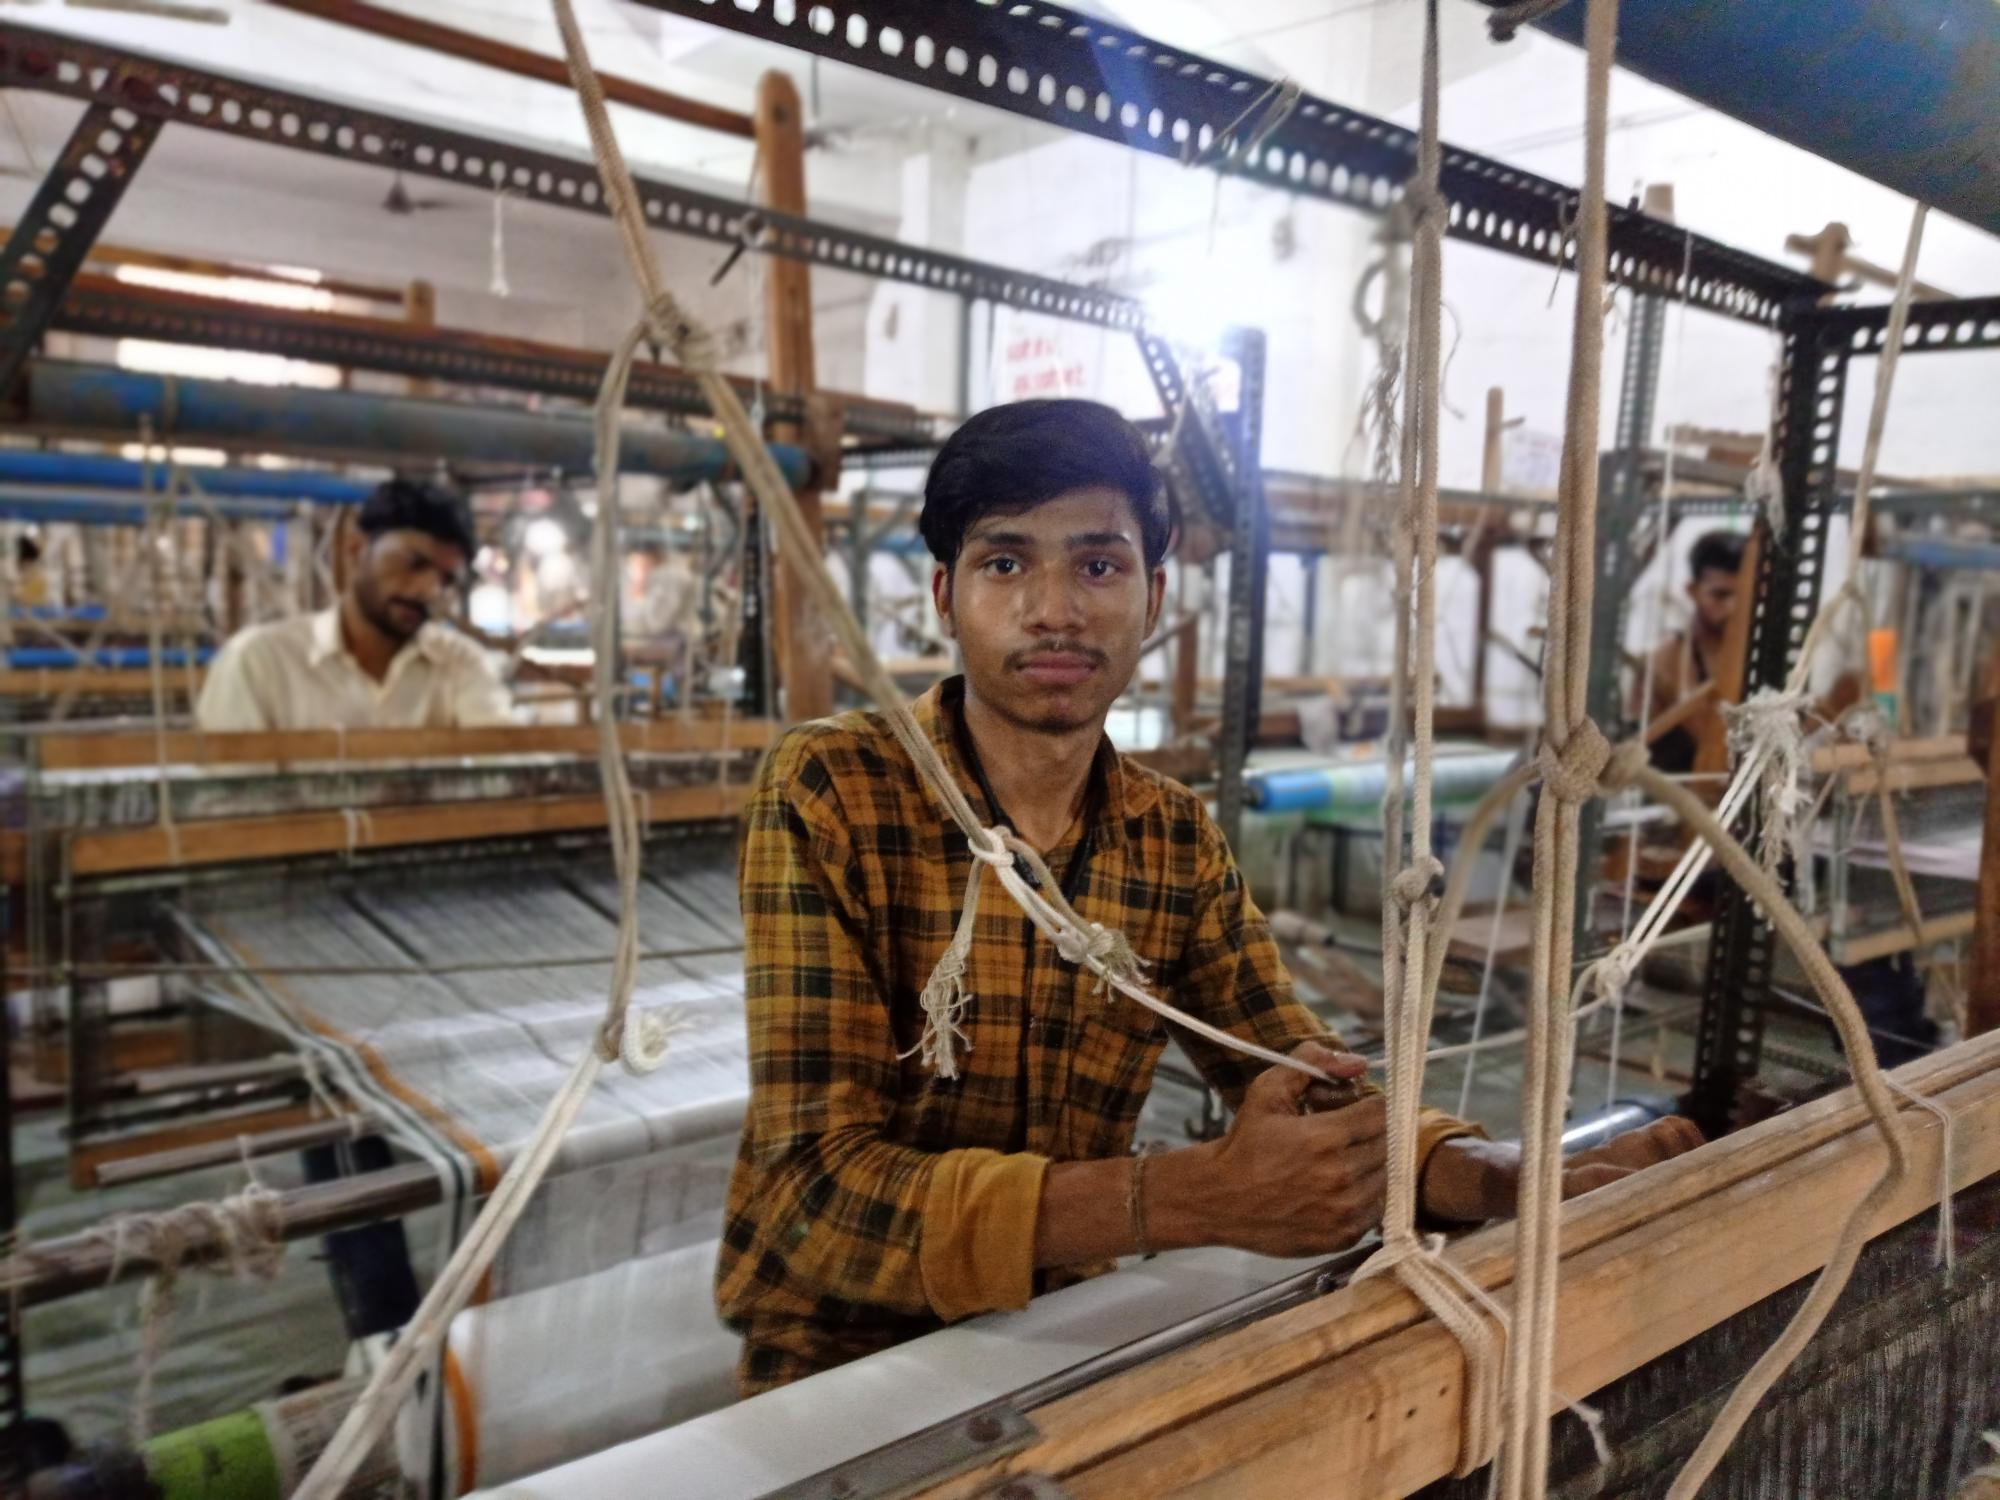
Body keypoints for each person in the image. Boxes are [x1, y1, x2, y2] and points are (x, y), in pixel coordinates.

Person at [716, 399, 1702, 1395]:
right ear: (945, 594)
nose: (1053, 609)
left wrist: (1505, 1178)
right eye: (1004, 563)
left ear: (1152, 597)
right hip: (839, 1371)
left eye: (1097, 566)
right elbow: (809, 1198)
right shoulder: (835, 789)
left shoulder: (1171, 838)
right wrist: (1183, 1198)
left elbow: (1301, 1072)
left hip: (1058, 1340)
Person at [197, 478, 513, 731]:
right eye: (414, 563)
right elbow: (228, 788)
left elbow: (503, 764)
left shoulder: (462, 665)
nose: (429, 591)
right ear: (357, 549)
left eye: (446, 580)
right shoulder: (258, 664)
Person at [1636, 529, 1744, 774]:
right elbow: (1712, 739)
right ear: (1693, 591)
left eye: (1743, 596)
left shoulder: (1759, 656)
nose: (1732, 607)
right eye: (1720, 595)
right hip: (1671, 792)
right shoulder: (1667, 658)